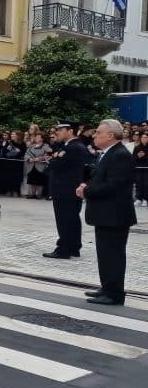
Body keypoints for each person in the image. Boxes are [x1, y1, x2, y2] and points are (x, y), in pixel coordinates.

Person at [79, 119, 137, 306]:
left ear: (110, 135)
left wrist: (86, 191)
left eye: (98, 132)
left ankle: (114, 293)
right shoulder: (108, 153)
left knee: (113, 255)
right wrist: (88, 186)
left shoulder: (119, 154)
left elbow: (114, 185)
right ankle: (107, 287)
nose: (94, 135)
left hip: (114, 215)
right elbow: (102, 180)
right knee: (105, 254)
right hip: (106, 214)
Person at [44, 121, 89, 259]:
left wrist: (54, 159)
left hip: (65, 188)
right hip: (69, 188)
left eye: (61, 129)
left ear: (70, 131)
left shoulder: (73, 147)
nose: (57, 132)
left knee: (65, 219)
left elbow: (55, 165)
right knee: (72, 218)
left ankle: (64, 248)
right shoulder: (69, 146)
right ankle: (74, 247)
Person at [134, 132, 148, 207]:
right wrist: (138, 156)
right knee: (138, 183)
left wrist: (144, 156)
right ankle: (139, 198)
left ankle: (145, 199)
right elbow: (133, 158)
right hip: (138, 168)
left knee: (146, 184)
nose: (144, 139)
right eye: (142, 137)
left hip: (147, 169)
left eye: (145, 137)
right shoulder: (137, 147)